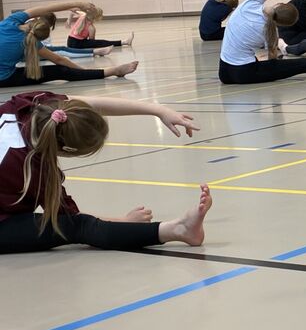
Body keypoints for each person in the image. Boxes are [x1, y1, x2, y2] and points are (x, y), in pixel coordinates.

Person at [0, 91, 212, 254]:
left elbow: (93, 104)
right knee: (75, 227)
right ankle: (178, 229)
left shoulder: (30, 104)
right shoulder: (35, 170)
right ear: (68, 150)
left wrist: (159, 110)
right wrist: (123, 220)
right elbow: (74, 220)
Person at [0, 2, 138, 88]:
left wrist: (77, 4)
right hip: (4, 78)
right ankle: (112, 71)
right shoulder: (29, 42)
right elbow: (59, 60)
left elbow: (45, 8)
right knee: (60, 71)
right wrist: (83, 72)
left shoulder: (9, 21)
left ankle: (110, 68)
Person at [33, 13, 113, 58]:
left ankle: (95, 51)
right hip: (36, 53)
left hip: (38, 50)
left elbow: (47, 45)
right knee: (62, 50)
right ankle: (95, 52)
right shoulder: (90, 26)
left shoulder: (37, 26)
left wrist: (69, 18)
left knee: (61, 50)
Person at [67, 7, 133, 49]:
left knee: (98, 42)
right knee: (101, 42)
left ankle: (124, 42)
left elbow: (72, 11)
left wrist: (69, 20)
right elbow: (92, 42)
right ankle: (124, 42)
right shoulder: (91, 28)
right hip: (77, 45)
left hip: (69, 42)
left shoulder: (81, 17)